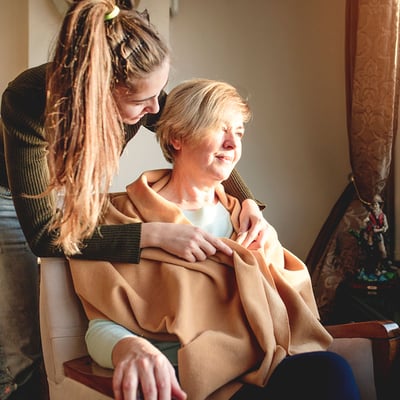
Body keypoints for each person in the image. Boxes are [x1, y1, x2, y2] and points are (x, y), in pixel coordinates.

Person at [0, 1, 267, 399]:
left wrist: (245, 200)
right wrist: (151, 234)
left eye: (159, 94)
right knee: (21, 337)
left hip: (73, 184)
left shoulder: (143, 89)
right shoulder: (27, 101)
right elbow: (43, 235)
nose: (154, 110)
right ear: (99, 92)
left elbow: (188, 128)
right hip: (5, 191)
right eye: (143, 102)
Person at [69, 79, 361, 400]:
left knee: (330, 370)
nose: (233, 144)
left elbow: (292, 312)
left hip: (261, 365)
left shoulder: (246, 219)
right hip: (187, 378)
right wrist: (130, 346)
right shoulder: (120, 218)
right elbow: (100, 325)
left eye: (238, 133)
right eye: (219, 129)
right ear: (178, 137)